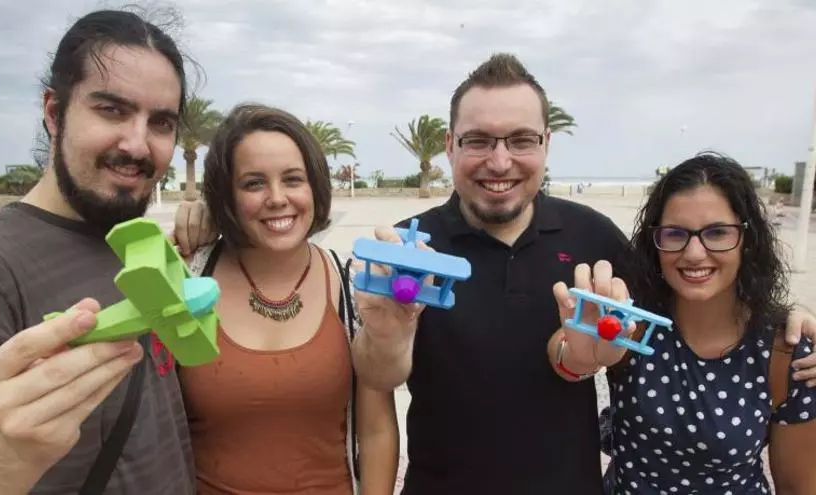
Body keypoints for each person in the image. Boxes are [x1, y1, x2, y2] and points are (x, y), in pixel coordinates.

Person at [170, 54, 816, 493]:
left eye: (520, 140)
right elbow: (378, 380)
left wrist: (785, 317)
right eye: (478, 140)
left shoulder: (595, 236)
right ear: (450, 146)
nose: (499, 160)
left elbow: (690, 294)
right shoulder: (409, 247)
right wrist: (213, 219)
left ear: (546, 146)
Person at [0, 9, 196, 494]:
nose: (138, 145)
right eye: (112, 110)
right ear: (54, 113)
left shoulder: (134, 242)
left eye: (161, 122)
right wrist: (10, 454)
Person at [552, 153, 816, 494]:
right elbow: (565, 350)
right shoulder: (635, 324)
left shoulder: (784, 351)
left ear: (748, 240)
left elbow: (798, 486)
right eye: (675, 234)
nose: (693, 253)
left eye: (717, 232)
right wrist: (578, 358)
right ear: (655, 242)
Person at [178, 103, 399, 494]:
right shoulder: (189, 275)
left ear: (315, 186)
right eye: (254, 184)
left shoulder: (352, 287)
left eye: (293, 179)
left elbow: (376, 430)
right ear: (226, 195)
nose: (277, 198)